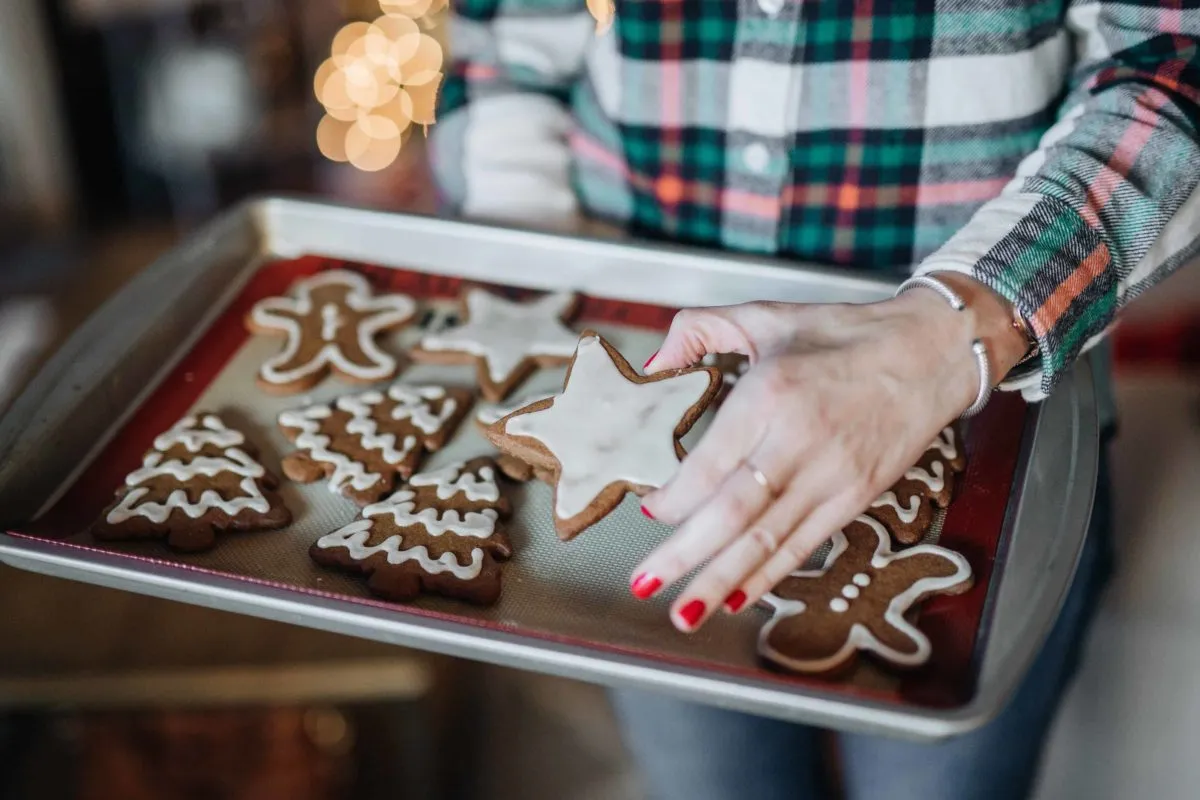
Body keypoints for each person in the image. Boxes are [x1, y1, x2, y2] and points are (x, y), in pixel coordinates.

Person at [430, 1, 1198, 797]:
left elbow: (1176, 58)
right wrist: (536, 281)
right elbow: (509, 40)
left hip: (987, 422)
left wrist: (950, 332)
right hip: (650, 451)